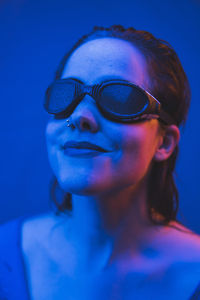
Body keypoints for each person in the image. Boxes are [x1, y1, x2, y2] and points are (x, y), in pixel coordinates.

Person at [1, 24, 200, 300]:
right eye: (66, 96)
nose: (81, 116)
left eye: (119, 98)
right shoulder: (6, 255)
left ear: (163, 142)